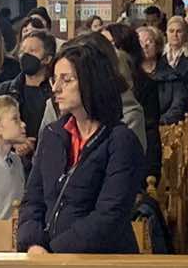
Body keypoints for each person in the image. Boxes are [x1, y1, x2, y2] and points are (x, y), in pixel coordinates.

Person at [18, 40, 143, 254]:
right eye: (54, 79)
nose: (55, 88)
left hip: (100, 261)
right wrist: (33, 244)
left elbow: (109, 215)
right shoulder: (52, 135)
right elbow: (33, 201)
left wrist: (55, 251)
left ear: (90, 82)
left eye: (66, 80)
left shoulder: (121, 140)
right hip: (47, 258)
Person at [107, 23, 161, 182]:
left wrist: (150, 172)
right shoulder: (93, 87)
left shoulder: (144, 86)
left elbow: (149, 131)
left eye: (110, 45)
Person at [0, 28, 56, 150]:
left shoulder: (55, 91)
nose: (25, 55)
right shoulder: (6, 90)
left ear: (47, 59)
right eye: (23, 51)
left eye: (32, 51)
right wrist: (15, 143)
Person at [152, 14, 188, 123]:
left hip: (185, 105)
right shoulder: (158, 54)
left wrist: (179, 96)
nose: (174, 35)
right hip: (159, 103)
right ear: (166, 33)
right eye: (171, 31)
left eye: (179, 31)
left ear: (186, 34)